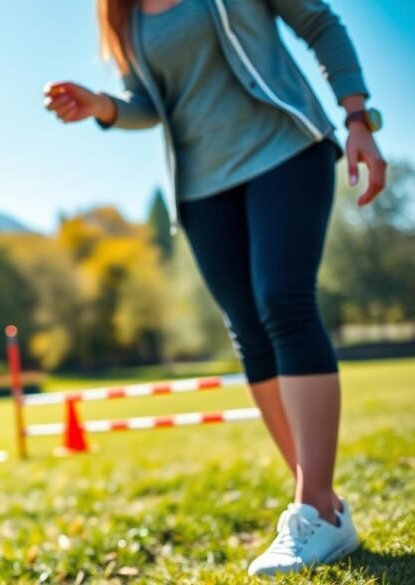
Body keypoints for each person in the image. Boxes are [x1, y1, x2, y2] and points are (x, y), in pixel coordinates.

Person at [43, 0, 386, 577]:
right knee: (249, 330)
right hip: (203, 189)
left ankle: (314, 508)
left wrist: (358, 117)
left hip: (286, 149)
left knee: (284, 299)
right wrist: (103, 106)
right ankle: (322, 509)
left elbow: (320, 23)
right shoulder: (123, 13)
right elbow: (149, 102)